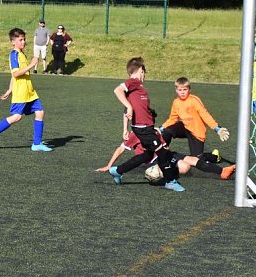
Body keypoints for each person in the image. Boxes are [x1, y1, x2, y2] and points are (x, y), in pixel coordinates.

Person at [108, 57, 184, 191]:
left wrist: (125, 128)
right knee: (161, 152)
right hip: (142, 129)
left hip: (146, 127)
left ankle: (118, 170)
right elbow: (117, 91)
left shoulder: (139, 88)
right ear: (140, 71)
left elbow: (127, 108)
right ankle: (170, 181)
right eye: (144, 72)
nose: (145, 75)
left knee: (147, 155)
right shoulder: (134, 82)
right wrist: (129, 108)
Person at [0, 28, 53, 152]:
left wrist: (9, 89)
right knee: (16, 117)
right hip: (21, 93)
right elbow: (15, 74)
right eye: (20, 40)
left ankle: (36, 144)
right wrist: (32, 65)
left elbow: (13, 76)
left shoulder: (22, 54)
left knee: (40, 112)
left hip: (30, 91)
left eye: (24, 39)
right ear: (13, 42)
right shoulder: (13, 55)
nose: (24, 42)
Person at [97, 123, 235, 181]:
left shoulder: (155, 131)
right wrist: (109, 165)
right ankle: (165, 175)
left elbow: (163, 145)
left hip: (165, 154)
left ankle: (222, 172)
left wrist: (165, 148)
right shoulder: (135, 134)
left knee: (192, 159)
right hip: (154, 161)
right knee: (185, 167)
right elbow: (121, 148)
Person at [159, 77, 229, 158]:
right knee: (167, 131)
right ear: (176, 90)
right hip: (185, 127)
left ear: (189, 89)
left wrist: (218, 129)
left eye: (185, 89)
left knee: (197, 159)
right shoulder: (176, 102)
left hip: (196, 131)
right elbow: (172, 119)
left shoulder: (194, 100)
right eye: (180, 90)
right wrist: (160, 129)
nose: (182, 93)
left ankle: (215, 157)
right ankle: (162, 154)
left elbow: (205, 115)